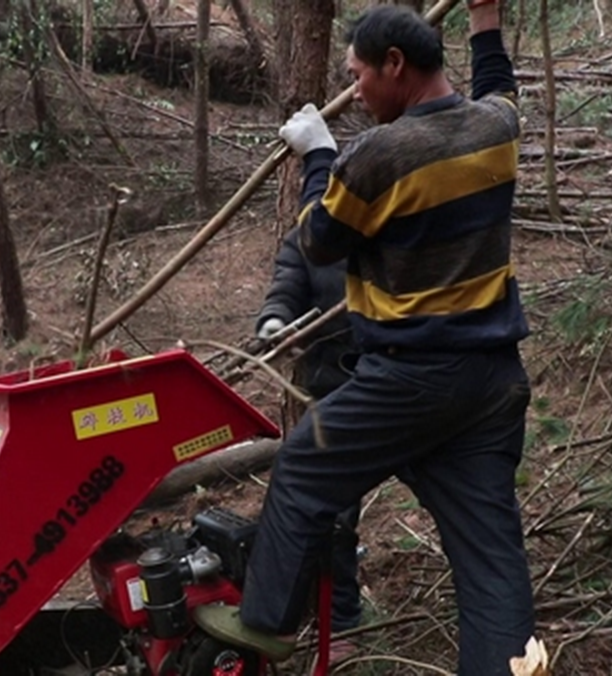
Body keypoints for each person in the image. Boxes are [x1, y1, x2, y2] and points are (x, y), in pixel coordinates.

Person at [196, 1, 536, 674]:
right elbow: (501, 84)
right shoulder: (496, 126)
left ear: (395, 66)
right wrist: (486, 21)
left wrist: (319, 153)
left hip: (409, 379)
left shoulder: (378, 154)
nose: (356, 91)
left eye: (359, 75)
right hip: (490, 382)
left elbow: (319, 242)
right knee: (489, 553)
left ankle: (266, 621)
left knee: (302, 467)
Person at [255, 227, 364, 660]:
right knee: (331, 514)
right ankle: (337, 620)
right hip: (337, 387)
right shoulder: (311, 229)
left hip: (405, 376)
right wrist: (276, 319)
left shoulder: (392, 212)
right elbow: (288, 280)